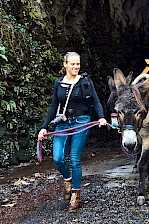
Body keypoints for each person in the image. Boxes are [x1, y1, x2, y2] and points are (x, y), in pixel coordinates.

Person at [38, 51, 107, 212]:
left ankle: (76, 194)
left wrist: (102, 117)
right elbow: (53, 106)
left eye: (78, 64)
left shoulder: (85, 82)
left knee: (75, 159)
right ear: (65, 65)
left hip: (81, 121)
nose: (76, 66)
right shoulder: (59, 83)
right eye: (73, 64)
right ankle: (68, 179)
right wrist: (44, 127)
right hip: (62, 122)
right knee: (58, 158)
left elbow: (96, 101)